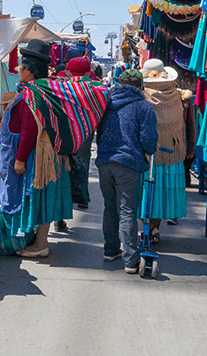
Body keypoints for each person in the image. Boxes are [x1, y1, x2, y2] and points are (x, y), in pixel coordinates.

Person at [0, 40, 77, 259]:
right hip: (49, 155)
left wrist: (20, 159)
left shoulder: (33, 94)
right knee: (44, 196)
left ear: (30, 70)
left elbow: (29, 129)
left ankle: (41, 244)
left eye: (22, 67)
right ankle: (39, 240)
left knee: (40, 197)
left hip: (39, 157)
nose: (19, 71)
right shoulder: (46, 89)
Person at [95, 69, 158, 273]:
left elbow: (99, 130)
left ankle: (110, 250)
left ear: (119, 83)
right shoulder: (144, 107)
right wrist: (148, 151)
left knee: (110, 207)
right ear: (140, 87)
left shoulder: (106, 103)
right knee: (127, 211)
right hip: (128, 163)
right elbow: (148, 139)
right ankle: (131, 260)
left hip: (105, 161)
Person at [139, 59, 190, 242]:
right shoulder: (178, 96)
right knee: (162, 193)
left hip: (147, 152)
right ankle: (155, 228)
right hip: (172, 152)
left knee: (146, 190)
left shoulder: (142, 95)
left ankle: (147, 227)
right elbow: (187, 125)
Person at [62, 57, 99, 216]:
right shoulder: (95, 87)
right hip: (87, 130)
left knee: (64, 164)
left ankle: (64, 204)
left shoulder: (63, 86)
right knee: (83, 161)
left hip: (66, 131)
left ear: (69, 71)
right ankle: (83, 196)